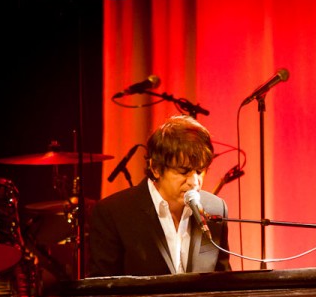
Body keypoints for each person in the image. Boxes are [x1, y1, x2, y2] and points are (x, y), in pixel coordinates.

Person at [89, 114, 232, 277]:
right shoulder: (113, 213)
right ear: (156, 168)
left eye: (199, 171)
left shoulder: (215, 208)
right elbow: (102, 286)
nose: (194, 182)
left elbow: (224, 281)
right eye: (183, 171)